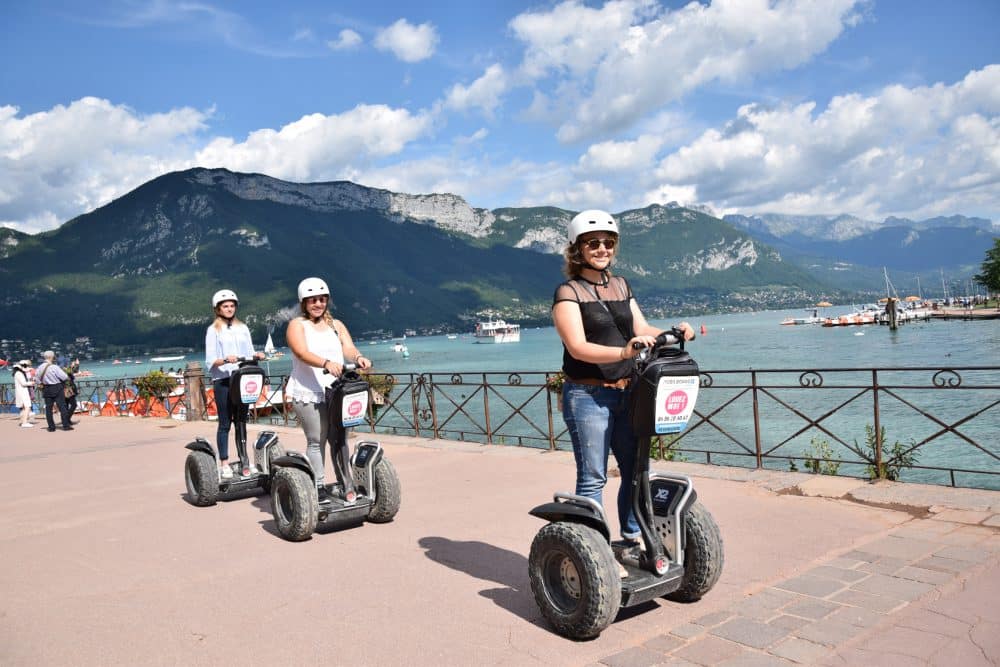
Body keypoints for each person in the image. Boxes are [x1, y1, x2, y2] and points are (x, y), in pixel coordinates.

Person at [552, 209, 694, 555]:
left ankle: (632, 536)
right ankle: (593, 550)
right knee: (593, 476)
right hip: (587, 395)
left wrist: (674, 332)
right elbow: (578, 347)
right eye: (593, 243)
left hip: (628, 391)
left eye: (608, 242)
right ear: (577, 249)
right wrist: (623, 353)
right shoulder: (568, 292)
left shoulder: (620, 285)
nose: (602, 249)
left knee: (634, 468)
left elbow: (641, 329)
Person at [285, 277, 371, 503]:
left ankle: (347, 485)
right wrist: (325, 363)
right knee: (317, 439)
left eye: (322, 299)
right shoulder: (297, 325)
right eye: (312, 300)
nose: (318, 304)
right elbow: (301, 352)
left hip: (336, 391)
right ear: (304, 302)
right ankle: (319, 488)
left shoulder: (336, 325)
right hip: (308, 391)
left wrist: (359, 357)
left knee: (339, 438)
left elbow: (349, 348)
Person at [205, 289, 264, 479]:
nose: (229, 309)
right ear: (218, 309)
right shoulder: (213, 330)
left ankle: (244, 459)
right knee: (225, 423)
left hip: (241, 378)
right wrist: (225, 359)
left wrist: (256, 356)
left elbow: (249, 352)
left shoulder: (243, 328)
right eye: (225, 306)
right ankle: (224, 462)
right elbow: (210, 360)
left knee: (241, 421)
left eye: (232, 306)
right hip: (222, 380)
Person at [35, 351, 74, 432]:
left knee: (48, 408)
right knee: (62, 407)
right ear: (52, 357)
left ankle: (51, 427)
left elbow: (37, 380)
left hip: (46, 388)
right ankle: (66, 426)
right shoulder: (54, 367)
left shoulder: (39, 367)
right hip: (57, 387)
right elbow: (64, 377)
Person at [12, 360, 36, 427]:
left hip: (21, 392)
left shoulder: (17, 373)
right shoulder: (19, 373)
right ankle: (24, 422)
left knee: (24, 408)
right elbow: (23, 383)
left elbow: (26, 370)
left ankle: (23, 421)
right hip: (22, 392)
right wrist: (31, 383)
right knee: (27, 406)